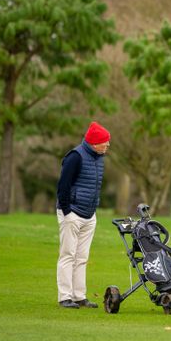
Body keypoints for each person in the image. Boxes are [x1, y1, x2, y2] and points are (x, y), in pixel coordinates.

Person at [55, 121, 111, 309]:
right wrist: (67, 211)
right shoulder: (75, 157)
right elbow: (63, 186)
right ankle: (65, 297)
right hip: (72, 213)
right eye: (105, 142)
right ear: (95, 143)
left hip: (89, 215)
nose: (108, 145)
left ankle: (79, 296)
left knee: (82, 257)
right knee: (68, 255)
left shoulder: (98, 157)